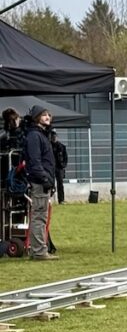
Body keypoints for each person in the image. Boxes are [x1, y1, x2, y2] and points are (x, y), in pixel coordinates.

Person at [22, 105, 58, 260]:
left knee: (41, 216)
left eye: (48, 115)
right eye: (44, 115)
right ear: (37, 117)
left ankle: (39, 250)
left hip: (44, 181)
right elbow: (35, 162)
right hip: (39, 182)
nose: (48, 117)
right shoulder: (35, 136)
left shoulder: (41, 135)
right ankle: (38, 251)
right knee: (39, 217)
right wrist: (45, 179)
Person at [50, 128, 69, 204]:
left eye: (55, 136)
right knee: (50, 183)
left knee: (60, 183)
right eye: (53, 137)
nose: (54, 138)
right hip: (51, 167)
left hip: (59, 167)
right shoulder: (48, 146)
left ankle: (61, 200)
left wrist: (63, 165)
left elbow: (65, 157)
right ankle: (49, 200)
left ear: (57, 137)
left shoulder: (61, 147)